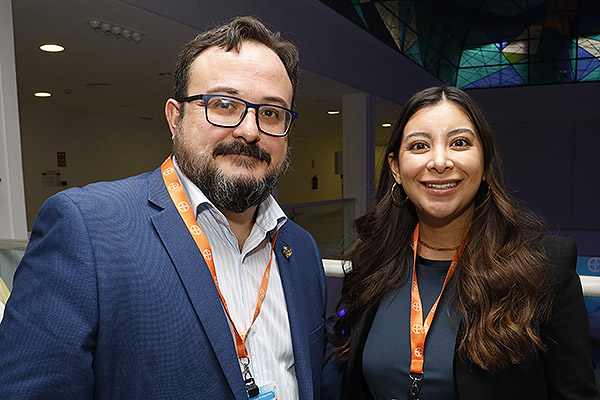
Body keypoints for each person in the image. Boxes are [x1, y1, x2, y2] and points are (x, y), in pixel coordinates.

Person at [0, 16, 327, 400]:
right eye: (223, 105)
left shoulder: (301, 250)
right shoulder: (86, 228)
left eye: (271, 112)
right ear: (175, 118)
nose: (250, 130)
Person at [333, 86, 599, 400]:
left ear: (485, 164)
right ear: (396, 168)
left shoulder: (544, 268)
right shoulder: (371, 261)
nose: (440, 161)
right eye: (419, 145)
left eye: (459, 143)